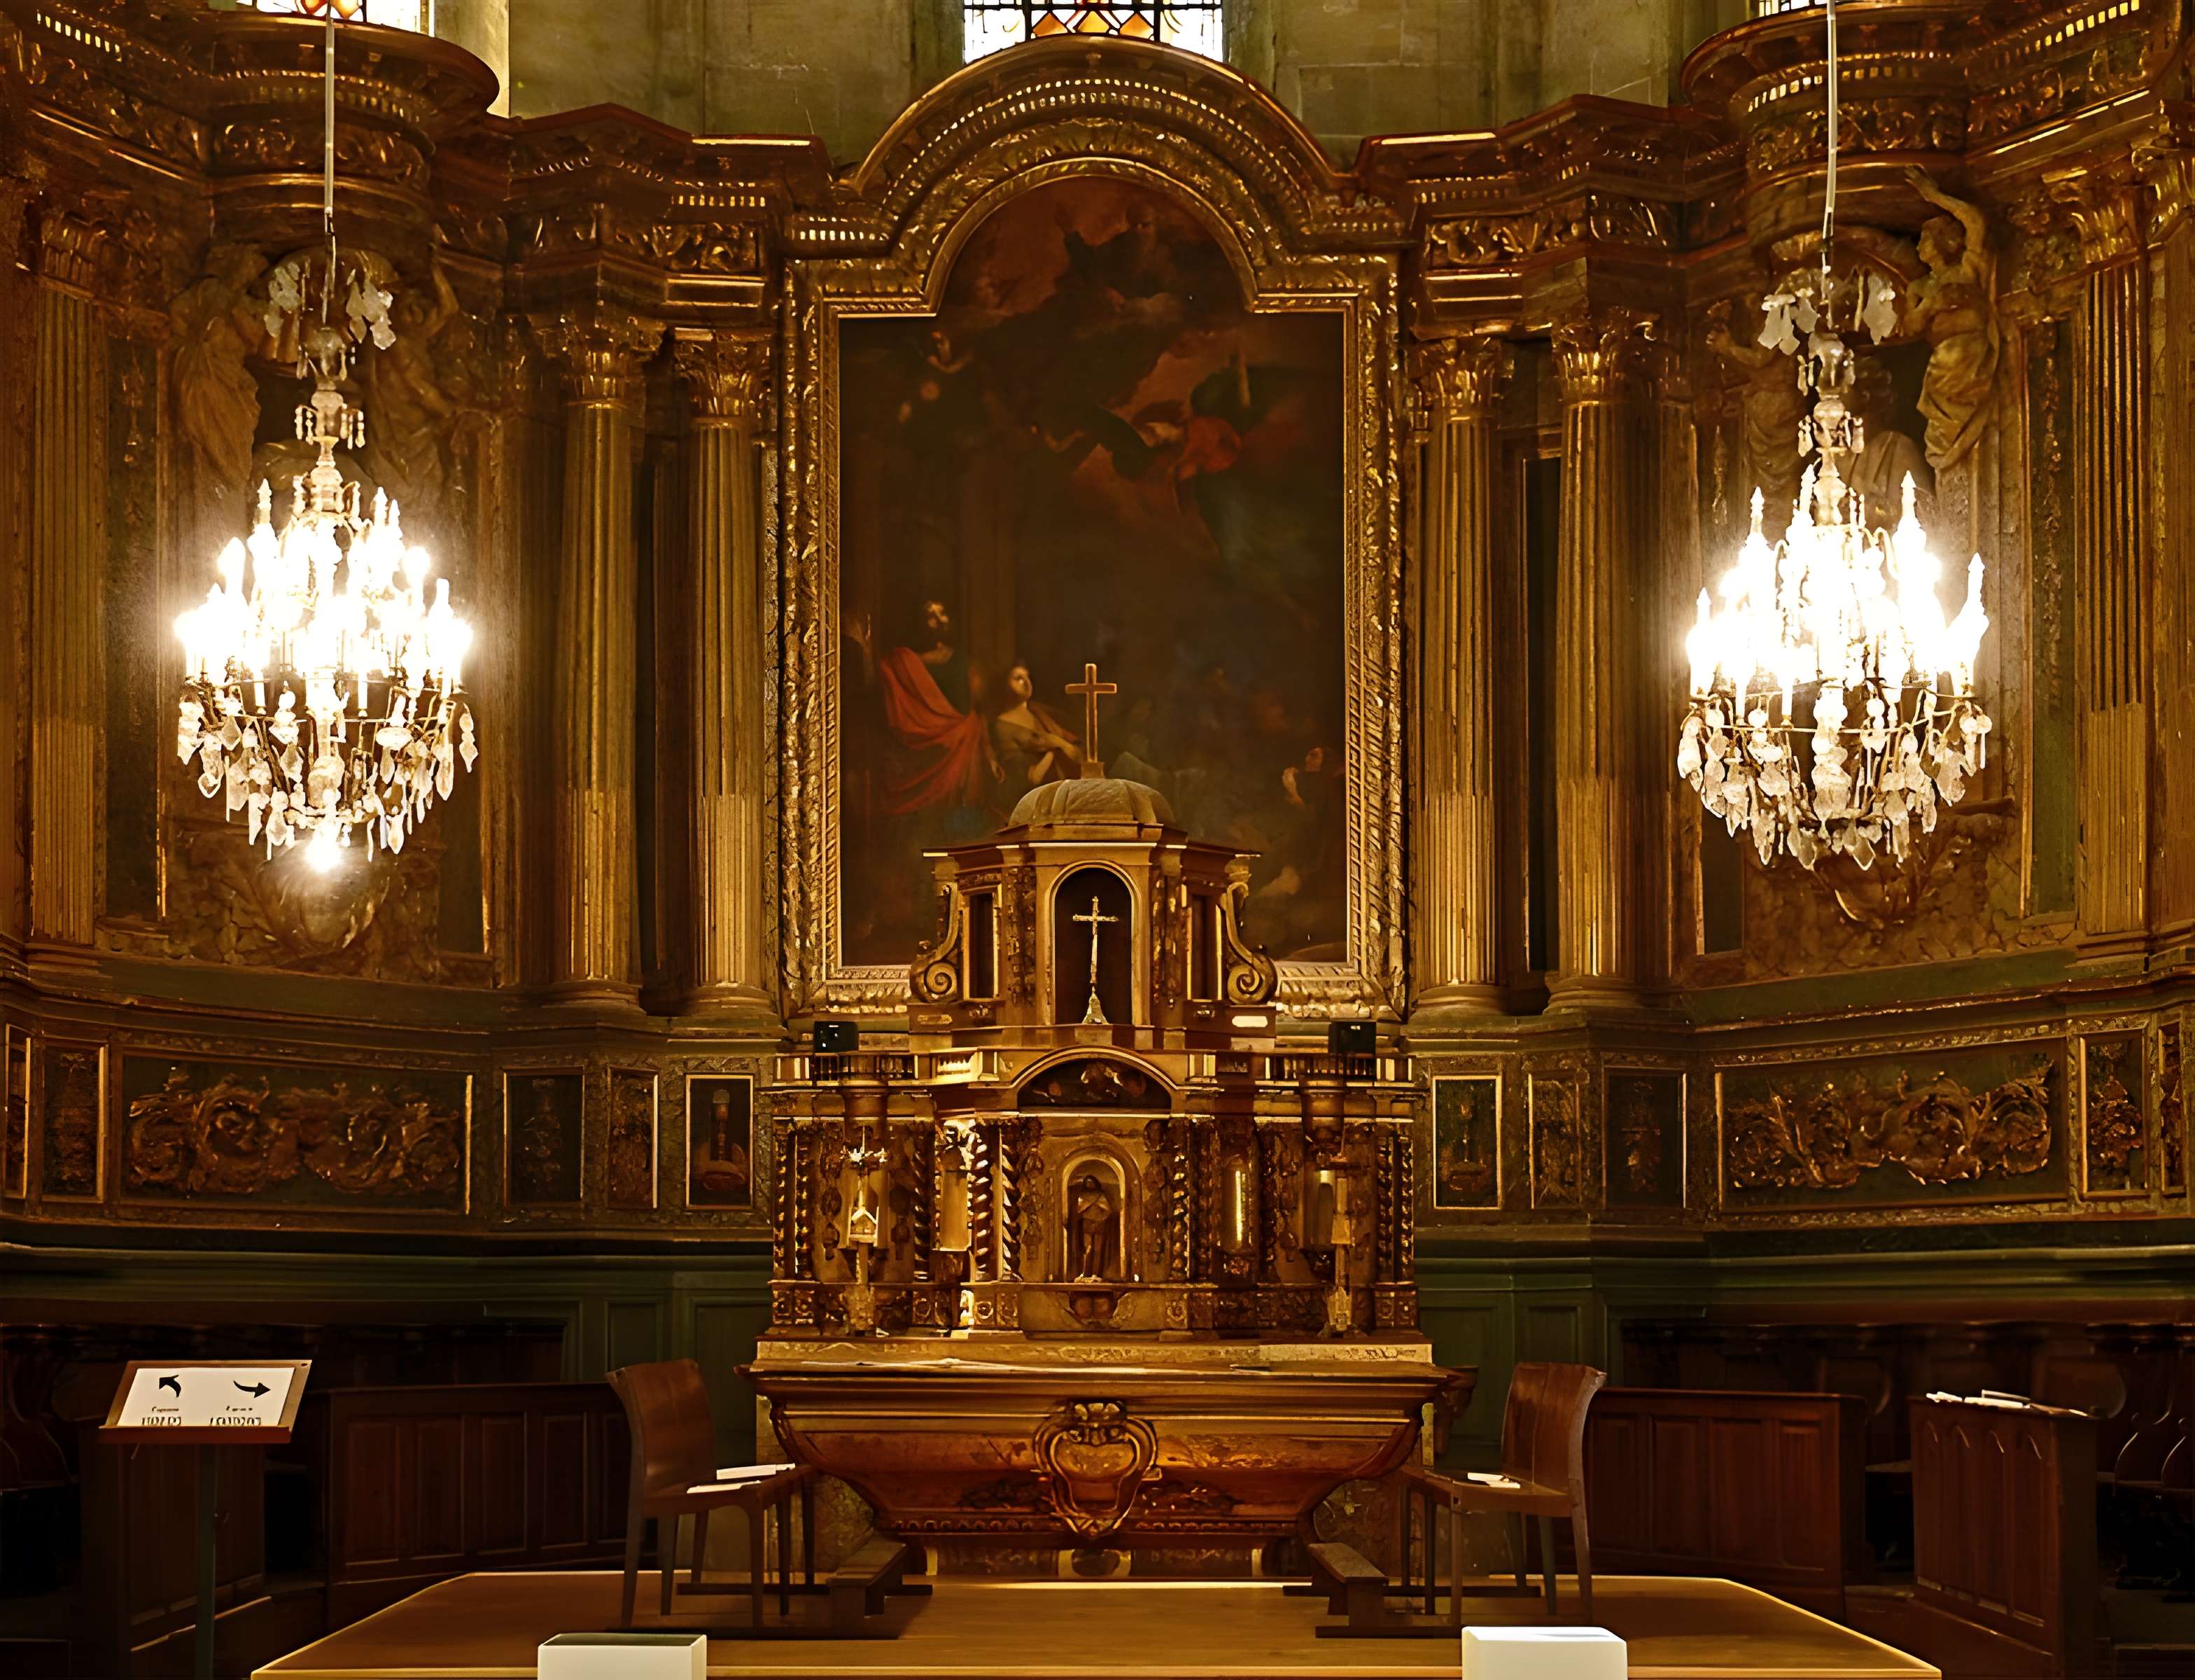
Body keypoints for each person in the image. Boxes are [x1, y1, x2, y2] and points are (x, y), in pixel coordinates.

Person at [1902, 167, 1999, 474]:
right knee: (1940, 433)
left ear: (1944, 242)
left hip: (1972, 359)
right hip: (1941, 369)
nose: (1920, 246)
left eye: (1925, 240)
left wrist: (1935, 197)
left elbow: (1976, 222)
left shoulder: (1967, 271)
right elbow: (1909, 327)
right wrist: (1932, 306)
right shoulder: (1919, 288)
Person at [990, 662, 1082, 794]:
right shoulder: (1002, 725)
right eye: (1019, 678)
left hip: (1064, 788)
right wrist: (1054, 748)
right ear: (1005, 685)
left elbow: (1076, 751)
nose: (1026, 682)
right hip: (1035, 795)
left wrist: (1062, 744)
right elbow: (1032, 778)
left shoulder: (1040, 714)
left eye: (1028, 677)